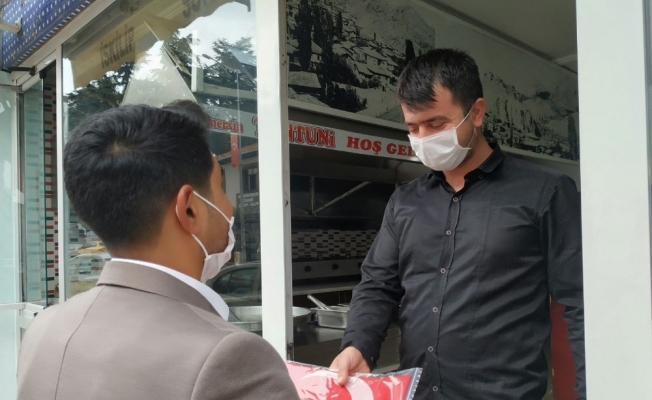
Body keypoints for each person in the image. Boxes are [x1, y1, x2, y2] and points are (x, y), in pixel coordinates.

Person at [330, 49, 585, 400]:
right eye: (413, 128)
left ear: (476, 112)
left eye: (436, 124)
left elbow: (580, 302)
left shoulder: (545, 192)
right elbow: (377, 285)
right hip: (418, 391)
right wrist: (358, 344)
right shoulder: (405, 201)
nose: (423, 138)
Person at [17, 102, 300, 400]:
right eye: (220, 186)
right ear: (189, 209)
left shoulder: (44, 327)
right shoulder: (231, 358)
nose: (229, 208)